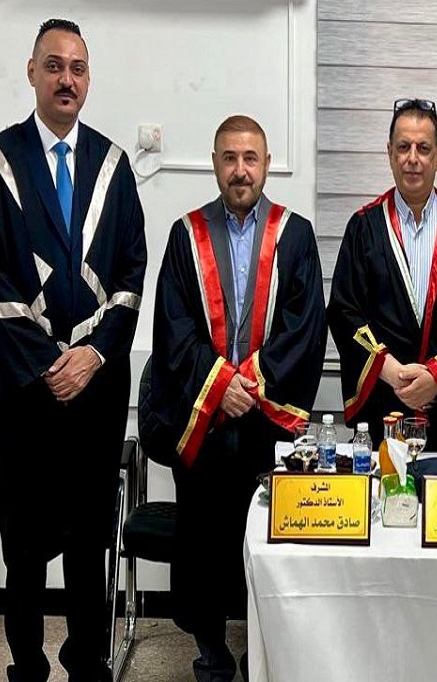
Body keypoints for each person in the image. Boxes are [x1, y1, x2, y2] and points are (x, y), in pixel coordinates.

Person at [0, 19, 146, 682]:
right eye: (54, 66)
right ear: (32, 73)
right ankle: (26, 665)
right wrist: (49, 364)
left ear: (88, 79)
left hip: (95, 387)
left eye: (77, 68)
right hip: (25, 391)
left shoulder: (114, 167)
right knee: (25, 541)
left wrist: (93, 355)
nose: (66, 79)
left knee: (90, 538)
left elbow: (132, 272)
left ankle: (87, 662)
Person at [146, 114, 326, 681]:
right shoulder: (187, 235)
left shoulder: (295, 236)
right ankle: (211, 652)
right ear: (215, 164)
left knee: (266, 547)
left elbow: (304, 328)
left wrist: (250, 386)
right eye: (230, 158)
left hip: (267, 428)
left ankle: (260, 654)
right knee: (204, 544)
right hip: (206, 422)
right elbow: (173, 326)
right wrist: (219, 386)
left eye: (251, 158)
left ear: (267, 165)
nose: (240, 170)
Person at [327, 99, 437, 452]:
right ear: (390, 153)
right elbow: (346, 313)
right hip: (383, 411)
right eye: (403, 147)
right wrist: (391, 371)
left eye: (423, 148)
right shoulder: (364, 228)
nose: (413, 158)